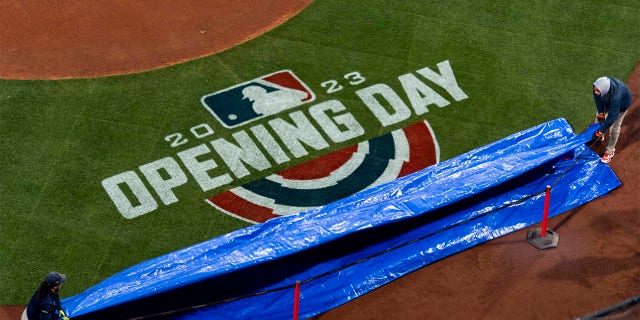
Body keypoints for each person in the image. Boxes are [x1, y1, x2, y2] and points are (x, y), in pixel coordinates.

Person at [591, 76, 632, 163]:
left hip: (621, 106)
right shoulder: (598, 86)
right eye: (595, 89)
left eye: (597, 91)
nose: (595, 91)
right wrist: (601, 113)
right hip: (607, 99)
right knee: (598, 116)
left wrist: (601, 130)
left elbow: (612, 116)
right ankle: (599, 138)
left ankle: (610, 151)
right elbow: (597, 99)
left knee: (614, 127)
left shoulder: (616, 96)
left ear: (604, 90)